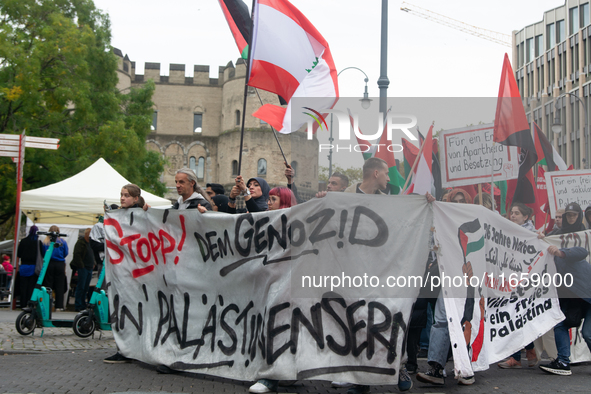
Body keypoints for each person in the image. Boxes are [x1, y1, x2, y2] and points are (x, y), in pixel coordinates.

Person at [417, 189, 475, 386]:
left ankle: (467, 369)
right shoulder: (441, 221)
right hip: (448, 279)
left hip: (469, 281)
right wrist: (432, 204)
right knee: (441, 321)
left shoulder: (476, 221)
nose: (458, 203)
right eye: (454, 201)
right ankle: (436, 368)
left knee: (466, 322)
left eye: (461, 200)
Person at [248, 186, 297, 394]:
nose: (268, 202)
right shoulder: (264, 220)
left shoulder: (295, 224)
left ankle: (271, 377)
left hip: (286, 283)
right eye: (268, 199)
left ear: (284, 202)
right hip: (268, 281)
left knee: (277, 326)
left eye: (273, 199)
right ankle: (282, 372)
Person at [104, 184, 147, 364]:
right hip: (122, 274)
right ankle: (123, 349)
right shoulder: (118, 215)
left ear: (135, 199)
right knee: (122, 311)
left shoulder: (143, 217)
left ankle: (137, 349)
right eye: (121, 195)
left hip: (138, 274)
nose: (122, 198)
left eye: (127, 195)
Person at [540, 245, 591, 375]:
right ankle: (563, 363)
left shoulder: (561, 257)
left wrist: (560, 253)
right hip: (576, 304)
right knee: (560, 324)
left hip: (588, 298)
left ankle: (563, 362)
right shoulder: (545, 273)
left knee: (587, 333)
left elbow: (582, 251)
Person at [497, 203, 537, 368]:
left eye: (516, 213)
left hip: (526, 281)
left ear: (525, 217)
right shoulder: (507, 231)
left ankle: (519, 356)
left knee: (519, 316)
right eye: (511, 213)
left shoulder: (533, 234)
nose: (512, 215)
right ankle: (527, 351)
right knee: (515, 316)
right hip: (510, 280)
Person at [41, 225, 69, 311]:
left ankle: (47, 304)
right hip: (60, 264)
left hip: (49, 263)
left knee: (48, 284)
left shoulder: (45, 242)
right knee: (59, 285)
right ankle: (59, 306)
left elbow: (43, 253)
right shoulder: (63, 241)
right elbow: (66, 253)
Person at [17, 225, 43, 308]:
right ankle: (30, 303)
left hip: (24, 266)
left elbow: (19, 254)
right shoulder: (38, 243)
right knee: (31, 286)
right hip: (34, 266)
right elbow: (42, 254)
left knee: (23, 286)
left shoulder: (23, 241)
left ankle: (22, 303)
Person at [72, 228, 95, 312]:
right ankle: (78, 305)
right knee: (81, 287)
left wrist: (94, 263)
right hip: (83, 267)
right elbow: (76, 255)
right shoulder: (81, 243)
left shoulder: (90, 243)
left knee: (86, 288)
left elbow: (93, 254)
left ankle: (83, 304)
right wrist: (81, 266)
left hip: (89, 267)